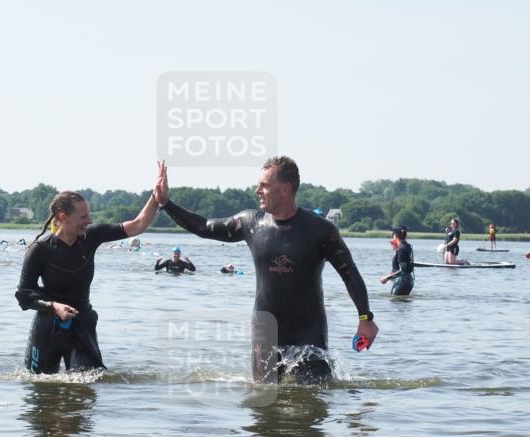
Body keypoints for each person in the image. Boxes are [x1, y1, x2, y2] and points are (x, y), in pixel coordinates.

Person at [156, 156, 377, 384]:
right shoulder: (250, 223)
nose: (256, 190)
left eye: (264, 185)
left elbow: (350, 274)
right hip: (265, 333)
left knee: (313, 406)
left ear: (285, 189)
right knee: (263, 404)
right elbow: (203, 226)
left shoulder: (321, 231)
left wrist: (365, 318)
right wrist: (166, 203)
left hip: (309, 334)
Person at [14, 164, 165, 373]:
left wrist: (156, 197)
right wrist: (54, 307)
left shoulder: (92, 236)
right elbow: (24, 295)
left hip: (81, 324)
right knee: (38, 386)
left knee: (88, 382)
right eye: (83, 217)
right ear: (64, 218)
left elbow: (138, 225)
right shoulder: (39, 250)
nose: (90, 221)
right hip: (48, 326)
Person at [380, 226, 414, 296]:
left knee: (394, 302)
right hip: (409, 281)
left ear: (395, 235)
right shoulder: (408, 246)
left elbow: (403, 271)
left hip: (402, 281)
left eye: (392, 235)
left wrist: (387, 278)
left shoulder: (401, 249)